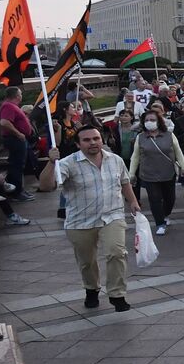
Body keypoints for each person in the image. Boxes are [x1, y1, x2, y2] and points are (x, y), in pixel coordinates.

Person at [42, 122, 142, 311]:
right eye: (86, 140)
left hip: (112, 216)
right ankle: (91, 289)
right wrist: (51, 162)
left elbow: (124, 182)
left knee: (117, 253)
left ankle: (117, 294)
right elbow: (46, 186)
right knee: (87, 262)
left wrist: (133, 202)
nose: (93, 143)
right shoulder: (67, 164)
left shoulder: (115, 160)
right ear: (78, 144)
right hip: (80, 221)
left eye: (96, 138)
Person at [129, 108, 184, 236]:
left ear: (158, 121)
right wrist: (131, 174)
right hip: (149, 174)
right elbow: (136, 156)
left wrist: (183, 166)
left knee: (170, 199)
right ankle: (160, 223)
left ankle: (165, 214)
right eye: (147, 120)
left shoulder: (169, 135)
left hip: (167, 173)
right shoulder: (141, 137)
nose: (150, 122)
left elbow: (177, 152)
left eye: (152, 120)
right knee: (154, 199)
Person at [0, 87, 35, 203]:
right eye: (20, 94)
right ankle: (16, 193)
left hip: (19, 139)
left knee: (19, 165)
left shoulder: (12, 106)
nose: (21, 96)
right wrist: (18, 133)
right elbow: (4, 122)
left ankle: (19, 189)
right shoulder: (8, 106)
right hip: (14, 139)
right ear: (17, 95)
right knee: (16, 166)